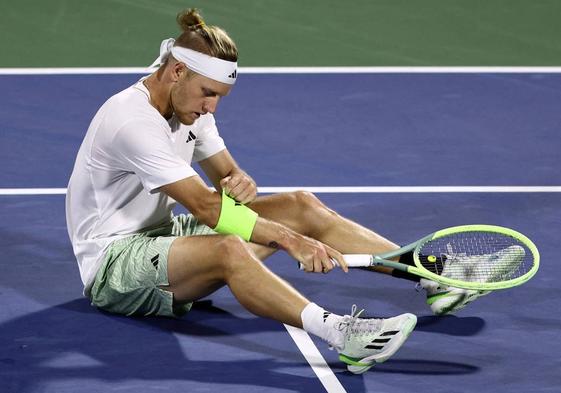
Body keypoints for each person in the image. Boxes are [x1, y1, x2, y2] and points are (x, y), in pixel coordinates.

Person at [65, 9, 489, 374]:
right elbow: (208, 207)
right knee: (230, 248)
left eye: (218, 97)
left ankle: (435, 273)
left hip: (163, 236)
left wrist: (241, 182)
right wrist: (291, 242)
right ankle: (344, 334)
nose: (212, 107)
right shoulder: (132, 121)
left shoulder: (190, 107)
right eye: (208, 94)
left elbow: (229, 182)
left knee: (300, 205)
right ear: (177, 71)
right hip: (113, 267)